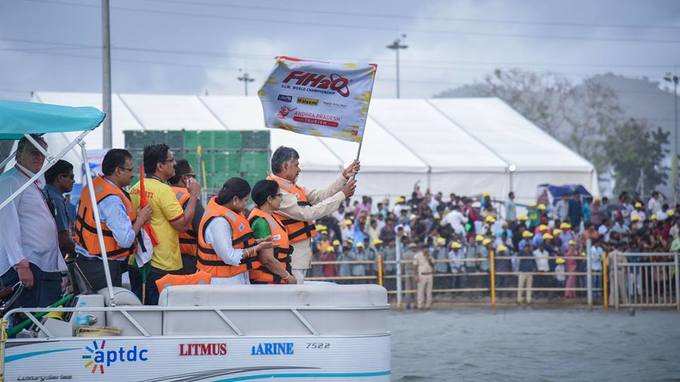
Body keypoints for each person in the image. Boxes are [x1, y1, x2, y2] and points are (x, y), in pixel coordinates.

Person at [267, 146, 359, 283]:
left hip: (298, 256)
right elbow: (307, 213)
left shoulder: (292, 187)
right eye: (296, 165)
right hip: (291, 257)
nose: (299, 169)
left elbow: (319, 196)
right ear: (285, 166)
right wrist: (342, 195)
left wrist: (344, 177)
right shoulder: (276, 191)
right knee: (295, 297)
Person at [0, 135, 68, 310]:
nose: (39, 157)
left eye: (41, 153)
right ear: (18, 155)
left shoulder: (33, 182)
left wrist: (60, 267)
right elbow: (6, 224)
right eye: (33, 152)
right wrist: (20, 265)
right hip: (27, 266)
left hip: (44, 266)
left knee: (47, 321)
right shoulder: (10, 181)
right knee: (28, 323)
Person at [129, 144, 201, 305]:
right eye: (171, 160)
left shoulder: (135, 187)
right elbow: (182, 225)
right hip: (162, 264)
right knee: (160, 315)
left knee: (142, 314)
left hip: (138, 261)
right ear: (160, 166)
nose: (175, 164)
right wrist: (194, 195)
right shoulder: (163, 190)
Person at [74, 149, 153, 292]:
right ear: (118, 171)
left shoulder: (93, 186)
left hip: (84, 260)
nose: (132, 174)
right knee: (107, 311)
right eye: (130, 170)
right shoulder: (112, 200)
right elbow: (125, 240)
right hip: (102, 268)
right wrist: (140, 219)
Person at [197, 178, 273, 285]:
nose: (246, 205)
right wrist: (257, 248)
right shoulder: (219, 222)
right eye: (245, 200)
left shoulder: (229, 214)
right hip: (221, 283)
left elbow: (236, 242)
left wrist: (258, 242)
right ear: (235, 199)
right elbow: (230, 257)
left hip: (233, 279)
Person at [247, 180, 297, 284]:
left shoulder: (271, 216)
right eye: (279, 195)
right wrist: (288, 277)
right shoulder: (261, 223)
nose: (281, 198)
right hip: (267, 283)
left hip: (276, 279)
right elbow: (267, 259)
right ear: (269, 199)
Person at [168, 159, 204, 274]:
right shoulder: (190, 198)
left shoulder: (164, 193)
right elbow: (203, 231)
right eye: (193, 176)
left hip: (165, 256)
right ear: (185, 178)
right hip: (188, 260)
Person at [44, 160, 76, 258]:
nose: (73, 181)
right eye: (71, 177)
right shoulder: (56, 200)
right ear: (60, 177)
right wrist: (76, 251)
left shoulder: (44, 192)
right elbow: (63, 236)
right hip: (51, 256)